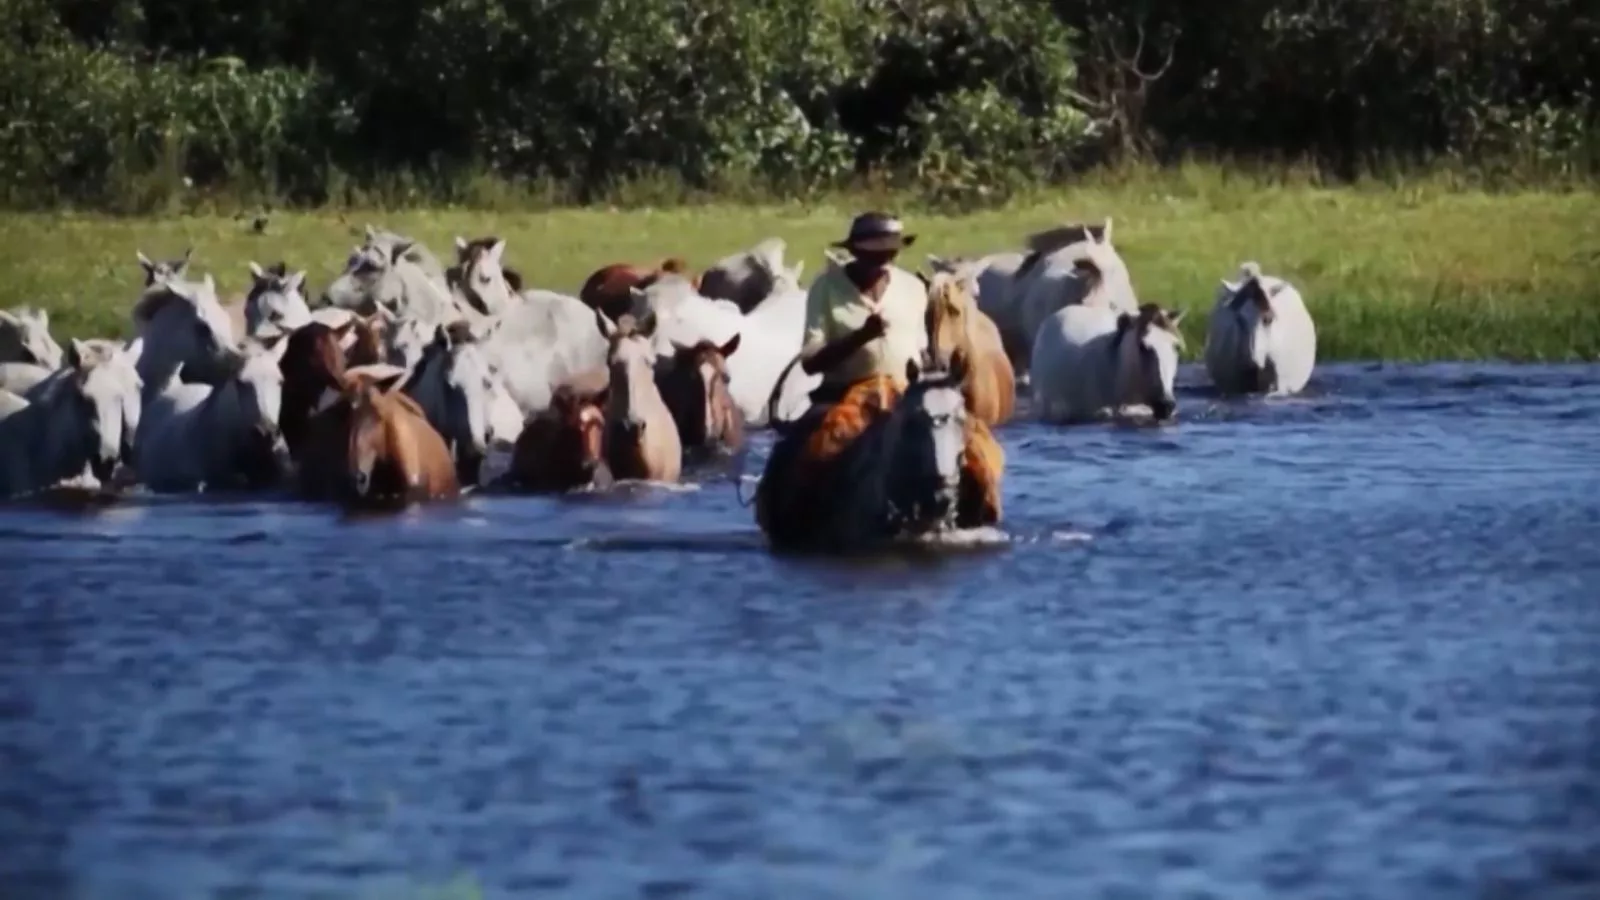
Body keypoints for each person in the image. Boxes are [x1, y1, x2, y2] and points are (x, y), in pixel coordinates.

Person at [756, 212, 931, 537]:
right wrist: (860, 337)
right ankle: (786, 518)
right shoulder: (827, 288)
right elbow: (810, 361)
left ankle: (964, 513)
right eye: (874, 253)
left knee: (961, 445)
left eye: (890, 252)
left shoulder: (913, 288)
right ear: (855, 252)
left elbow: (921, 349)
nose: (883, 260)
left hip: (902, 397)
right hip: (842, 394)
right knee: (805, 448)